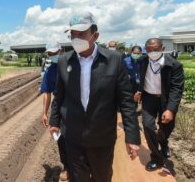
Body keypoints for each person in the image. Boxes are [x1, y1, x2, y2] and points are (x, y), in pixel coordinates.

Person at [49, 11, 140, 182]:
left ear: (95, 35)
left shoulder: (114, 59)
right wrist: (54, 121)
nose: (76, 38)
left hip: (102, 136)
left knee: (102, 177)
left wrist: (132, 136)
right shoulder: (64, 61)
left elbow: (126, 101)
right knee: (78, 178)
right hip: (73, 135)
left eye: (82, 34)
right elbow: (59, 94)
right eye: (73, 34)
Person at [136, 38, 184, 171]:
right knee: (147, 125)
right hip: (148, 98)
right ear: (146, 50)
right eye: (149, 50)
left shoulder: (174, 65)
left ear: (162, 49)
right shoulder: (142, 61)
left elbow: (176, 89)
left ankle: (164, 143)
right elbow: (141, 78)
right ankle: (156, 158)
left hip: (165, 100)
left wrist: (170, 109)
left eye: (156, 49)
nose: (152, 52)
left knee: (165, 128)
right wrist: (139, 90)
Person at [40, 43, 69, 181]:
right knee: (60, 139)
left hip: (75, 105)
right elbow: (46, 93)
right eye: (50, 54)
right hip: (58, 107)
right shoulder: (50, 71)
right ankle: (67, 167)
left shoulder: (72, 65)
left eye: (54, 52)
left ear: (61, 51)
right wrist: (45, 112)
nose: (52, 56)